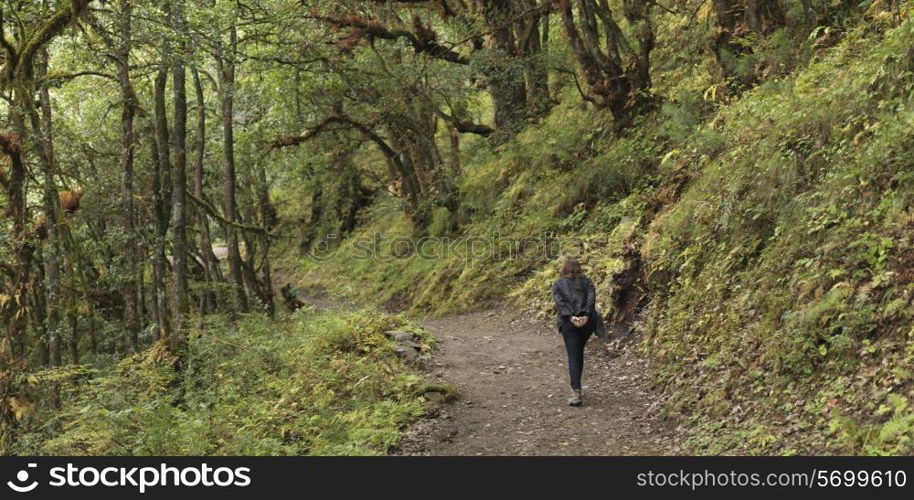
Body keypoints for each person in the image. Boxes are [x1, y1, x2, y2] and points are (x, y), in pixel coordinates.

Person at [551, 257, 597, 406]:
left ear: (564, 268)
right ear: (579, 267)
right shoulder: (587, 281)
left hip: (568, 323)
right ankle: (576, 389)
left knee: (574, 355)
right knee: (578, 352)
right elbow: (591, 298)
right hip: (587, 323)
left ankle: (576, 392)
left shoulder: (558, 283)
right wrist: (586, 316)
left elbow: (560, 303)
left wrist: (571, 317)